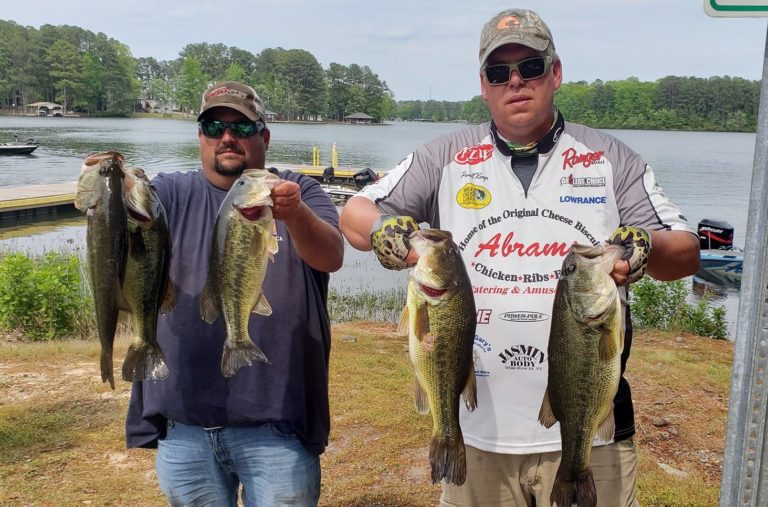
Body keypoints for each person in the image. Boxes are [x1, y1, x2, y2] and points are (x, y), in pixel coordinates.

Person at [340, 9, 700, 506]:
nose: (515, 82)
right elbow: (356, 213)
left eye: (530, 67)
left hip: (591, 434)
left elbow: (684, 250)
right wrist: (385, 231)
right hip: (476, 434)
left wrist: (646, 245)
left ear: (555, 73)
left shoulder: (610, 158)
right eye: (498, 72)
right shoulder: (444, 157)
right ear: (483, 86)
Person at [126, 81, 344, 506]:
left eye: (242, 128)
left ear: (263, 136)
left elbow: (331, 255)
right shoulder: (171, 191)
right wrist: (111, 183)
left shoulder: (299, 192)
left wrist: (294, 212)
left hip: (277, 426)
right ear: (200, 137)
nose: (227, 137)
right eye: (213, 126)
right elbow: (134, 214)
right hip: (183, 424)